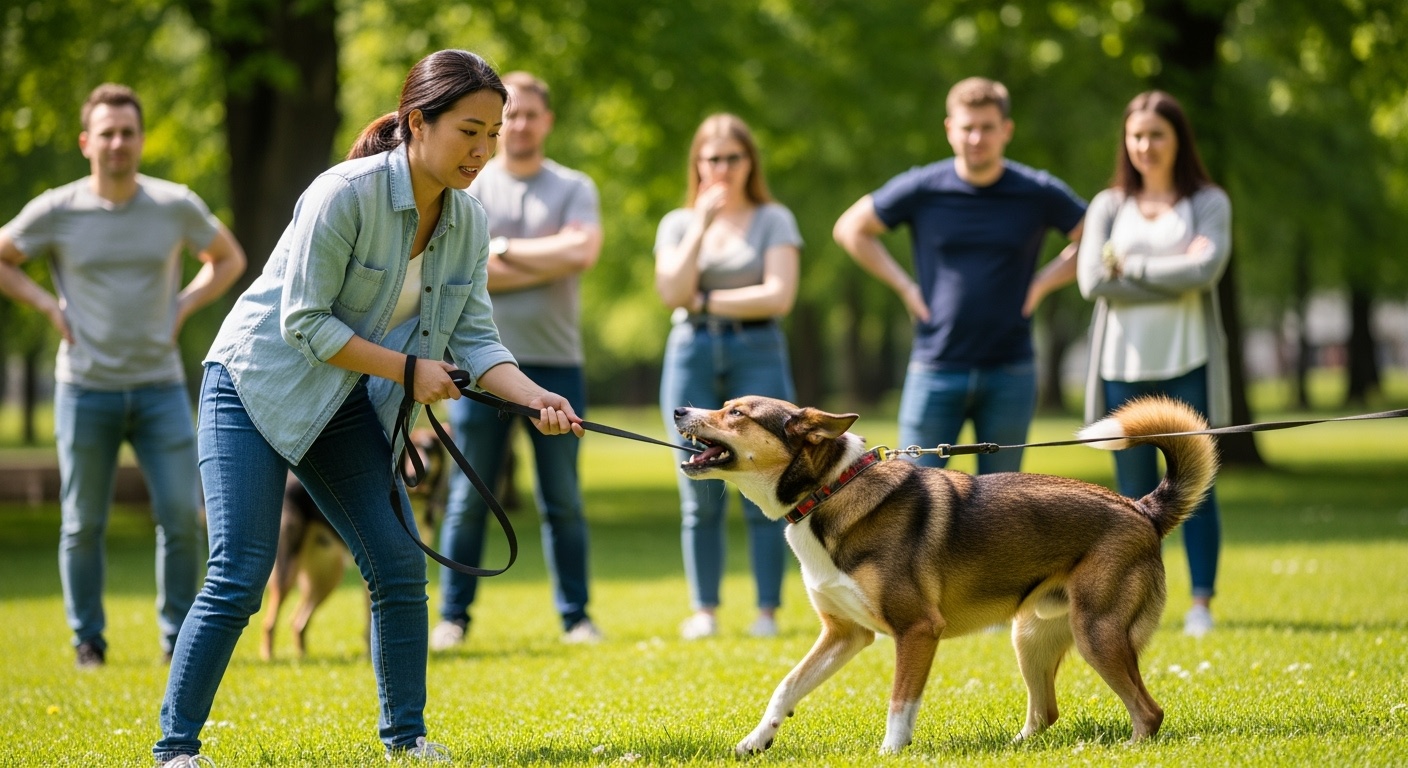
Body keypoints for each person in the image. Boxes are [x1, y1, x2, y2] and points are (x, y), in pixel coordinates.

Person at [152, 50, 584, 766]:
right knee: (241, 569)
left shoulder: (469, 222)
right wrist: (409, 371)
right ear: (418, 121)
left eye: (494, 134)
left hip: (340, 401)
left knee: (396, 563)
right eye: (468, 131)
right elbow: (304, 323)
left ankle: (407, 740)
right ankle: (175, 750)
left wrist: (536, 396)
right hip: (252, 385)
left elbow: (476, 338)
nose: (483, 151)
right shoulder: (342, 194)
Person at [0, 83, 247, 670]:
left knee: (183, 519)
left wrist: (183, 305)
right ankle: (88, 641)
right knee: (83, 522)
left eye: (128, 133)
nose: (118, 143)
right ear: (87, 142)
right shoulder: (57, 210)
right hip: (85, 388)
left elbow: (229, 259)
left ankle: (176, 641)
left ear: (140, 139)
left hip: (160, 387)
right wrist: (45, 305)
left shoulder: (173, 204)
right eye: (106, 133)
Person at [430, 71, 604, 650]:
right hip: (480, 370)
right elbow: (466, 271)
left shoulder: (574, 186)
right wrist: (541, 258)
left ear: (546, 121)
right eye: (515, 116)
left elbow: (582, 251)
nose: (522, 125)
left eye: (531, 115)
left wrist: (500, 249)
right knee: (468, 496)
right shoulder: (473, 184)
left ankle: (576, 617)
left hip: (556, 363)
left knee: (564, 502)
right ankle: (453, 617)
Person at [833, 77, 1086, 473]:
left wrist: (1043, 282)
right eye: (967, 127)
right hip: (936, 366)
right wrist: (904, 286)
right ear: (950, 129)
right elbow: (850, 228)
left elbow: (1097, 236)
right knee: (912, 496)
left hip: (1011, 369)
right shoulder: (923, 186)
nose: (976, 137)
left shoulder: (1036, 190)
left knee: (1003, 505)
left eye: (987, 127)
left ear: (1007, 130)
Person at [1076, 90, 1231, 638]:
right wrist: (1168, 268)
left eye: (1157, 135)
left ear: (1178, 140)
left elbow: (1204, 272)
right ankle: (1132, 601)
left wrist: (1129, 268)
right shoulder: (1107, 206)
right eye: (1136, 135)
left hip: (1186, 361)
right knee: (1128, 503)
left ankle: (1201, 604)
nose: (1145, 145)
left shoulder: (1208, 202)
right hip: (1122, 367)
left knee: (1193, 486)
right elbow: (1092, 281)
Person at [655, 113, 802, 640]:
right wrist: (700, 223)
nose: (722, 168)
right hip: (692, 348)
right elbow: (671, 291)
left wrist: (706, 298)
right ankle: (706, 610)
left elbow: (778, 294)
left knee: (770, 474)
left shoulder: (773, 219)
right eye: (712, 158)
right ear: (697, 163)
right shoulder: (677, 222)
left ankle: (767, 609)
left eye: (732, 158)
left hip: (756, 346)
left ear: (749, 163)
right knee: (693, 478)